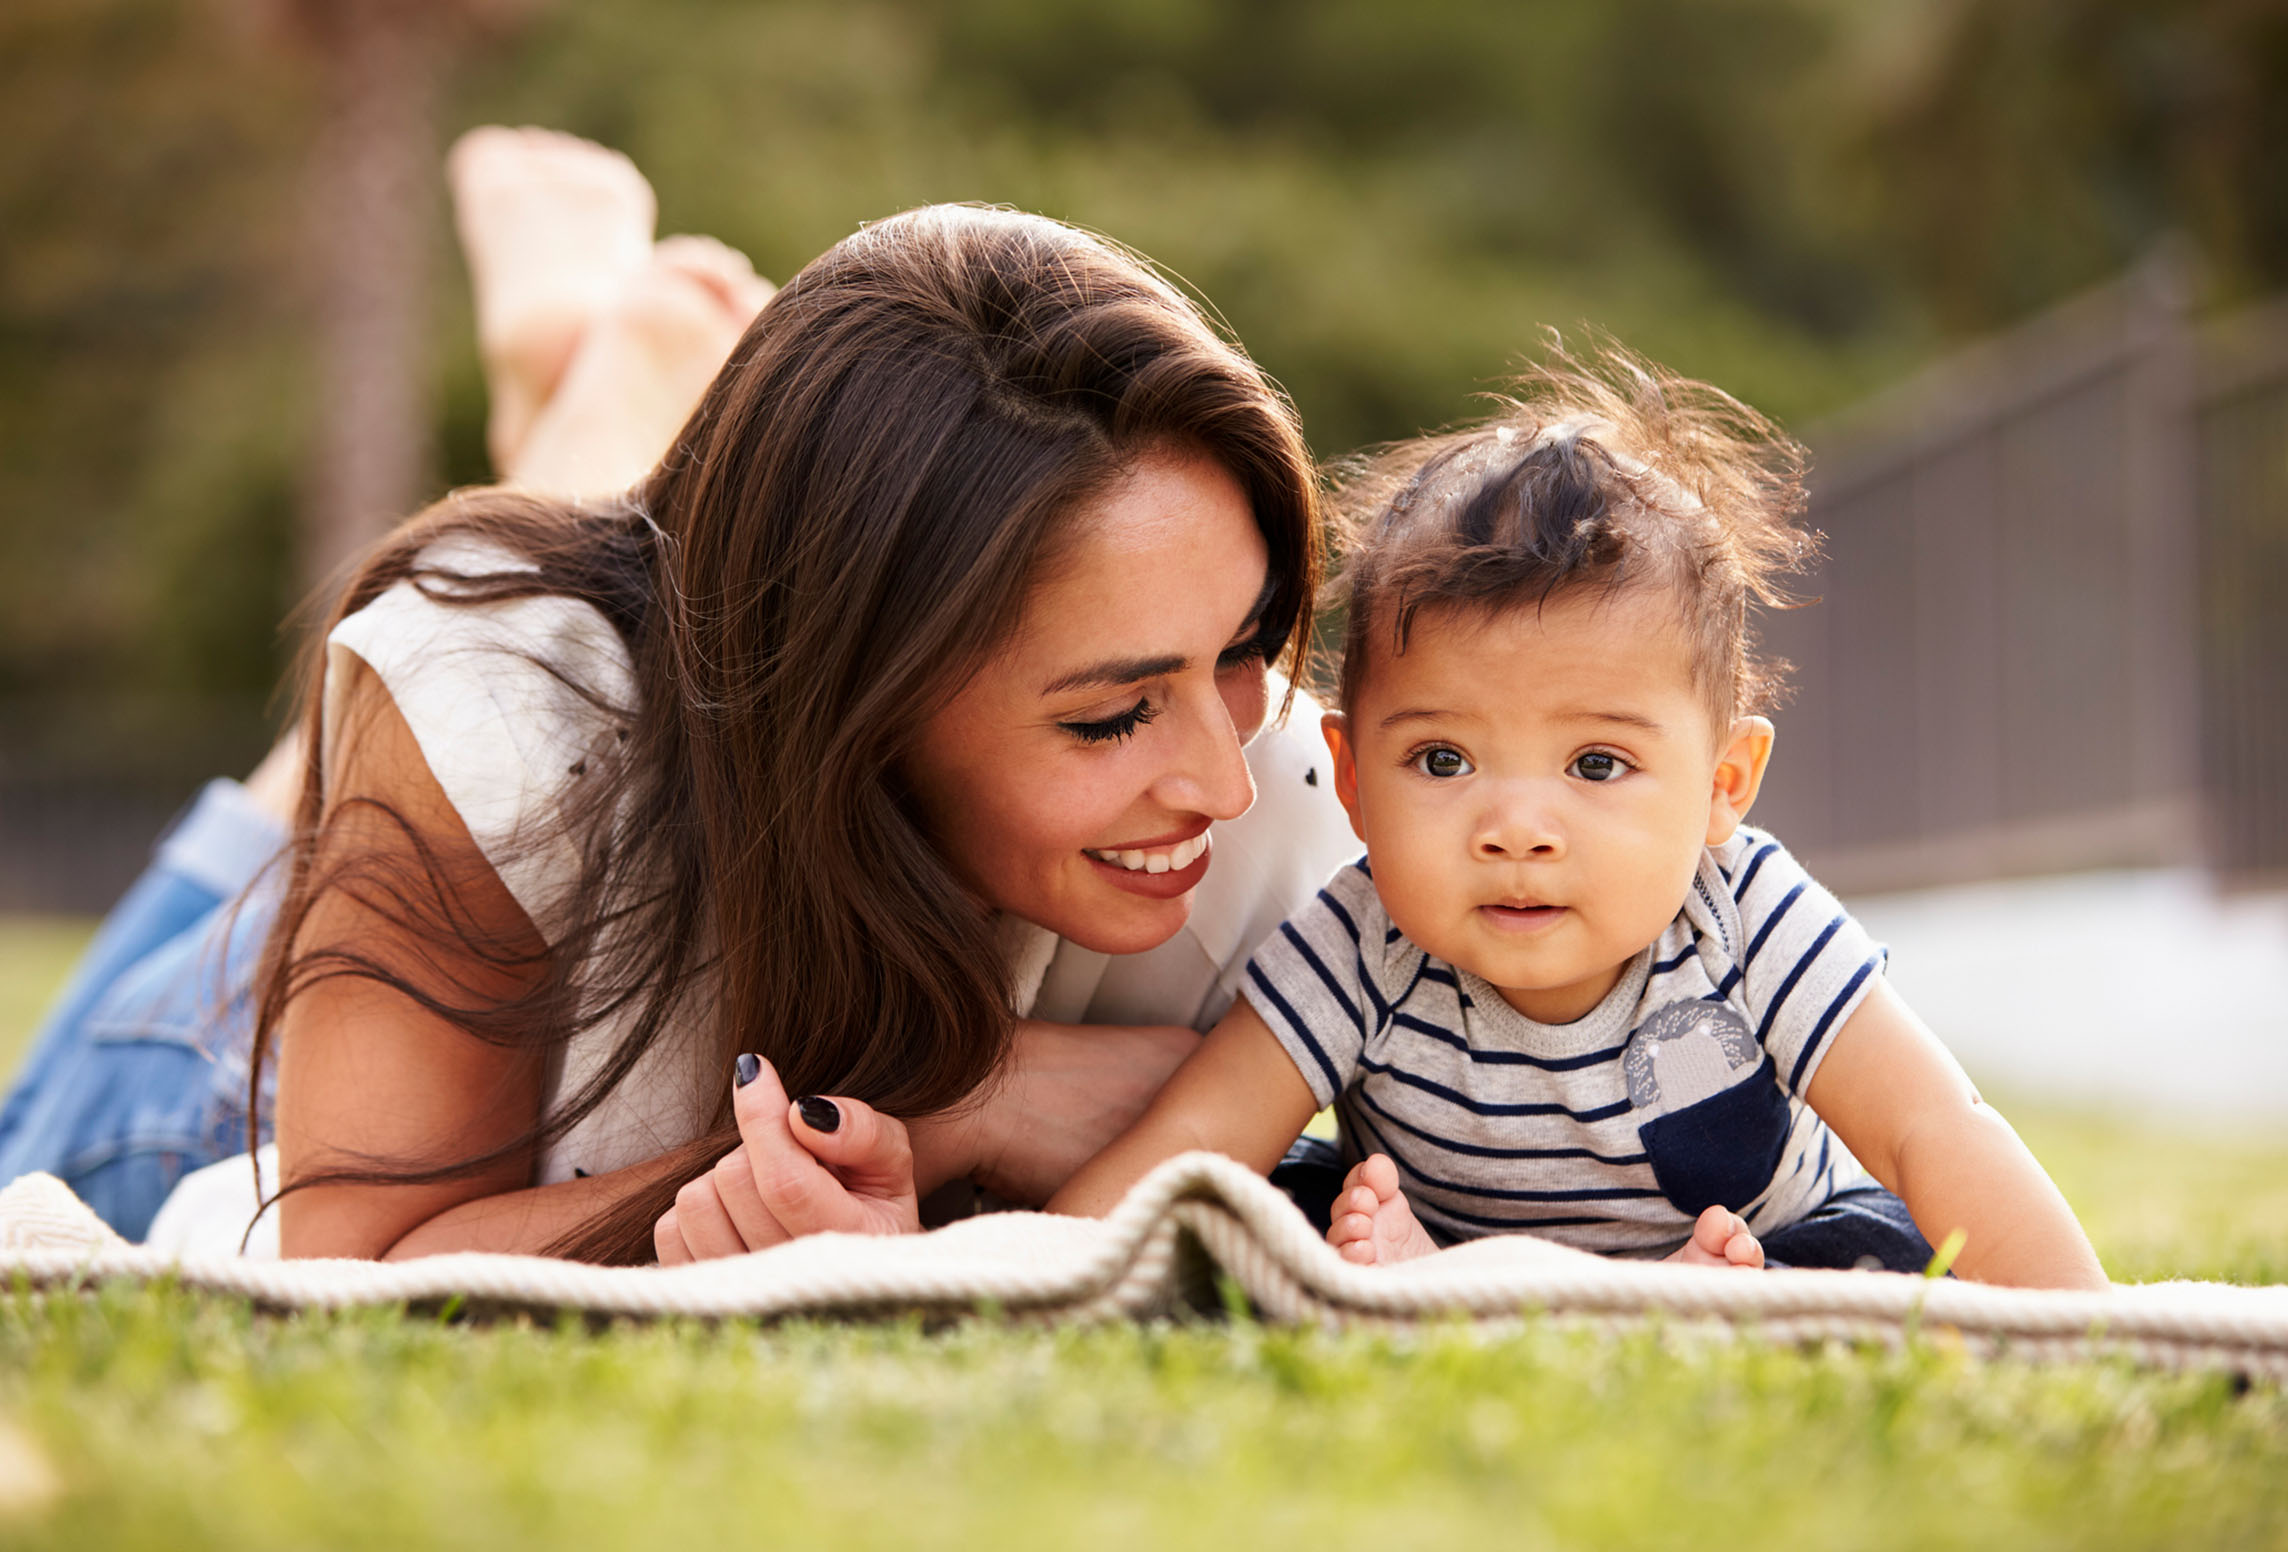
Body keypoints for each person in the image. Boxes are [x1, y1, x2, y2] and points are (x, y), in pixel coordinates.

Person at [0, 129, 1360, 1263]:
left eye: (1244, 646)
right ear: (863, 690)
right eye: (1109, 714)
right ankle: (594, 420)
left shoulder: (1296, 795)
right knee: (92, 1100)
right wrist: (958, 1106)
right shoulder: (516, 724)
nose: (1224, 778)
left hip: (611, 769)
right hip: (213, 1125)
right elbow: (346, 1271)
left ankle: (597, 441)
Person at [1045, 349, 2112, 1290]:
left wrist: (2092, 1328)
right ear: (1354, 778)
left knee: (1880, 1249)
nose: (1515, 828)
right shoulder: (1361, 937)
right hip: (1433, 1228)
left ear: (1720, 787)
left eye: (1595, 763)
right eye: (1442, 759)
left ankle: (1683, 1301)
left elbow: (1934, 1127)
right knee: (1258, 1198)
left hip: (1754, 1246)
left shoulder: (1741, 915)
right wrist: (1031, 1269)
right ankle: (1456, 1281)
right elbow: (1194, 1137)